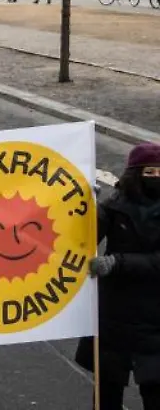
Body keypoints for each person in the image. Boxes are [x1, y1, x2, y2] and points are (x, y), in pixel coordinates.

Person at [75, 143, 160, 410]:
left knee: (155, 390)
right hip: (114, 313)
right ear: (135, 174)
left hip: (155, 314)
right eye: (150, 172)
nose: (156, 178)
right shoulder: (115, 204)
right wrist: (85, 208)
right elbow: (85, 239)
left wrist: (117, 263)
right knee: (107, 391)